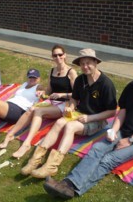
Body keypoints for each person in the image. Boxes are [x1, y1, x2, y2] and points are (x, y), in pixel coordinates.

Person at [43, 55, 133, 199]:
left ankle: (74, 190)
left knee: (109, 160)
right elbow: (122, 111)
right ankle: (68, 183)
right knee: (97, 149)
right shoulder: (131, 87)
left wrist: (130, 140)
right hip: (124, 130)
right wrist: (114, 130)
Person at [21, 48, 117, 179]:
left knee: (70, 127)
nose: (85, 66)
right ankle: (34, 160)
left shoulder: (106, 84)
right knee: (59, 122)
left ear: (95, 62)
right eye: (82, 64)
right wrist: (71, 107)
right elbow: (74, 98)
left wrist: (90, 117)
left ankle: (51, 166)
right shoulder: (80, 80)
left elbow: (112, 111)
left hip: (97, 119)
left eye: (88, 63)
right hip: (79, 113)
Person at [0, 44, 77, 158]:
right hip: (52, 102)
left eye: (60, 54)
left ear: (65, 55)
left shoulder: (71, 72)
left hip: (64, 104)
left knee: (38, 111)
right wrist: (43, 93)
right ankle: (10, 135)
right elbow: (49, 91)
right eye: (55, 55)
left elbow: (77, 94)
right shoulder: (52, 71)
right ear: (52, 57)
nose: (58, 57)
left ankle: (26, 143)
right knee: (31, 109)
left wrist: (62, 94)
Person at [0, 68, 43, 148]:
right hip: (8, 108)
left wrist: (41, 93)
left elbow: (43, 93)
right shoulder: (24, 84)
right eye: (30, 77)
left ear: (39, 78)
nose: (32, 79)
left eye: (35, 77)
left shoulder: (39, 87)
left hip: (18, 111)